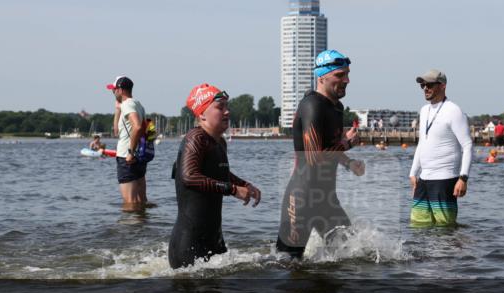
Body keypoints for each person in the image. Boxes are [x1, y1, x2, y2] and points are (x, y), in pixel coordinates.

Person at [277, 49, 364, 257]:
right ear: (322, 77)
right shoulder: (312, 106)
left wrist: (348, 162)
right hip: (302, 198)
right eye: (340, 75)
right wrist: (347, 145)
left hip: (327, 199)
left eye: (348, 74)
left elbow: (331, 146)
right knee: (286, 265)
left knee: (350, 255)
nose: (347, 80)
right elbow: (313, 156)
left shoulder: (336, 107)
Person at [169, 84, 261, 269]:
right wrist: (233, 190)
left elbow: (220, 173)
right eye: (220, 107)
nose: (227, 112)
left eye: (227, 107)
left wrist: (245, 184)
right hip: (189, 245)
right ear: (202, 114)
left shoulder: (218, 142)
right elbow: (189, 176)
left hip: (213, 239)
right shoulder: (195, 138)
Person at [408, 69, 473, 228]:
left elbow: (468, 145)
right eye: (423, 85)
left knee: (445, 230)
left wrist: (463, 178)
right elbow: (422, 142)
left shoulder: (454, 111)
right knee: (418, 226)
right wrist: (413, 172)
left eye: (429, 84)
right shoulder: (424, 111)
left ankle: (448, 254)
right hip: (424, 180)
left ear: (442, 86)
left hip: (445, 180)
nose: (425, 88)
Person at [108, 75, 148, 210]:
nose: (113, 92)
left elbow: (137, 126)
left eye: (114, 89)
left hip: (127, 157)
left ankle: (130, 230)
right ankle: (141, 229)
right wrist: (117, 110)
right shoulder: (137, 104)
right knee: (141, 200)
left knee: (130, 202)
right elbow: (116, 132)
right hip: (139, 157)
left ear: (120, 89)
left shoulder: (128, 104)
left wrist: (130, 152)